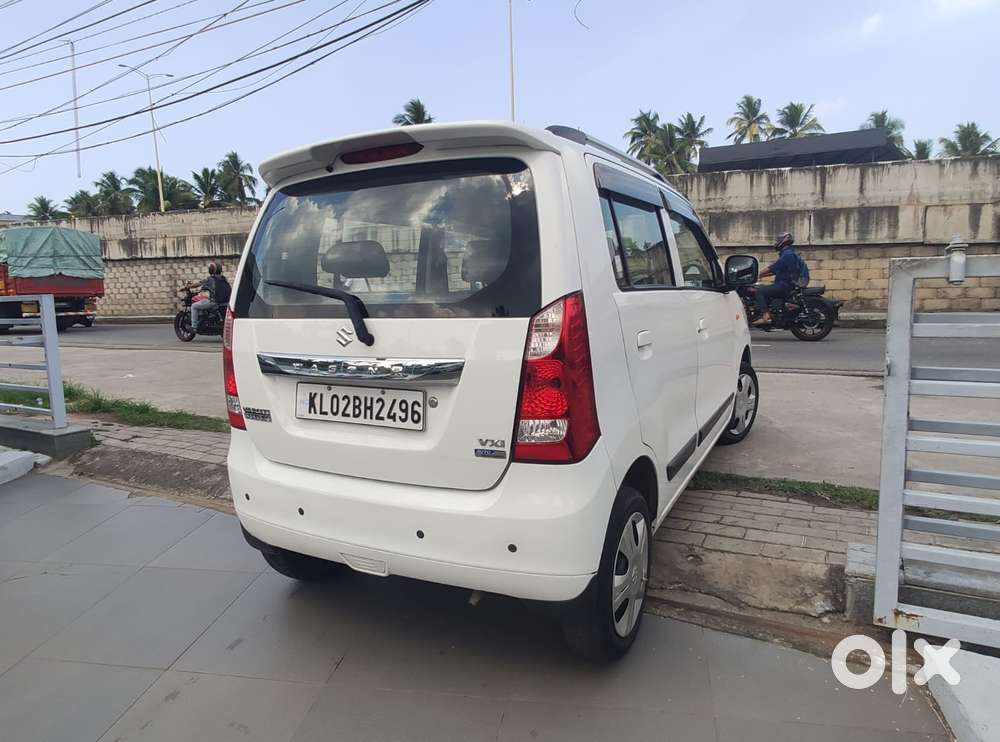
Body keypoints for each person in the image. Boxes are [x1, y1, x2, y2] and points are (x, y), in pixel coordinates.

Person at [753, 232, 806, 326]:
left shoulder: (787, 255)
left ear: (783, 242)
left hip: (784, 285)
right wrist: (760, 276)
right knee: (763, 288)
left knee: (759, 291)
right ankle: (770, 312)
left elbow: (773, 267)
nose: (776, 242)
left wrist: (757, 273)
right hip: (787, 284)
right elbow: (775, 271)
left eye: (778, 240)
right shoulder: (790, 253)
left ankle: (765, 316)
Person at [187, 262, 231, 333]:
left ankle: (194, 328)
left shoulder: (210, 279)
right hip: (225, 302)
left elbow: (198, 284)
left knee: (194, 306)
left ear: (211, 270)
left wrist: (188, 286)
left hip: (214, 302)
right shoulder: (224, 279)